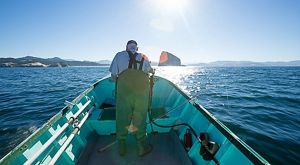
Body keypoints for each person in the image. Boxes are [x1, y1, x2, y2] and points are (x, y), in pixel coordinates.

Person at [109, 40, 154, 157]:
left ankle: (122, 146)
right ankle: (141, 146)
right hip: (142, 91)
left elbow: (114, 76)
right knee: (140, 116)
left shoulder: (119, 55)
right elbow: (150, 71)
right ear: (137, 48)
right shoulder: (144, 56)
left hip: (125, 91)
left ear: (126, 48)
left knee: (122, 116)